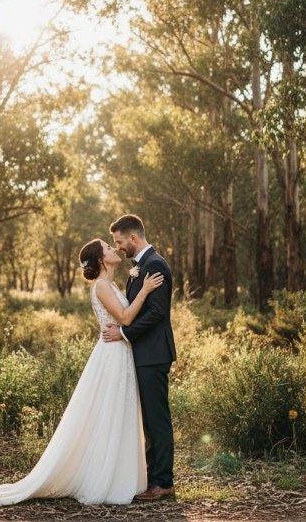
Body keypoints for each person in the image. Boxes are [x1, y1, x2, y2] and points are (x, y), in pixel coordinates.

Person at [0, 237, 164, 505]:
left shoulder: (109, 284)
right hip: (112, 355)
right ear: (101, 260)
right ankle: (105, 476)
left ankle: (119, 473)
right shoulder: (102, 286)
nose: (114, 249)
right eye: (109, 248)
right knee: (109, 411)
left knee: (116, 412)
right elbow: (125, 318)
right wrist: (144, 291)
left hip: (118, 352)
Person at [101, 213, 177, 501]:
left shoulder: (154, 265)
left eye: (119, 242)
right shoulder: (139, 266)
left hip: (154, 353)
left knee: (157, 419)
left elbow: (158, 313)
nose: (118, 247)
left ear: (133, 238)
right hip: (144, 352)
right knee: (148, 419)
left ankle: (163, 482)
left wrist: (124, 334)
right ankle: (152, 477)